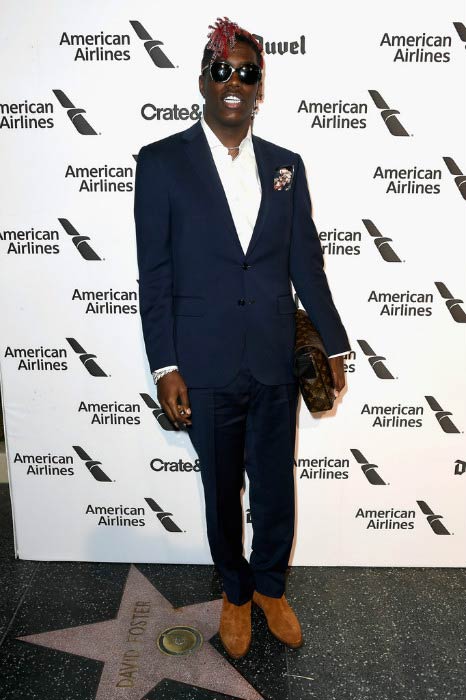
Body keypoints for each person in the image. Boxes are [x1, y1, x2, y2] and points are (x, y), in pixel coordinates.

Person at [134, 16, 351, 659]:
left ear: (261, 88)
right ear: (203, 79)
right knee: (221, 488)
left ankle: (270, 589)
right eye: (224, 70)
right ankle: (233, 595)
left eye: (248, 73)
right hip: (203, 362)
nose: (235, 82)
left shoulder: (287, 167)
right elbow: (156, 277)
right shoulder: (161, 163)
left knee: (277, 483)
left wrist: (334, 347)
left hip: (273, 356)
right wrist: (164, 366)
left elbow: (305, 263)